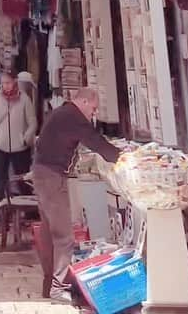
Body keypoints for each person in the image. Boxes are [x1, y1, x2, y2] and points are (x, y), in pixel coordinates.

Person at [33, 88, 120, 303]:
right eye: (93, 108)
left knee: (49, 233)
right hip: (52, 177)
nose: (94, 112)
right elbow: (95, 141)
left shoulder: (63, 113)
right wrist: (123, 157)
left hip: (43, 174)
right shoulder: (73, 116)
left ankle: (49, 284)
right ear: (82, 101)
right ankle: (58, 286)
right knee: (64, 236)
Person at [0, 70, 36, 224]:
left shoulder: (24, 99)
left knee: (23, 179)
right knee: (0, 181)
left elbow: (32, 121)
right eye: (3, 83)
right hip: (0, 146)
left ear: (14, 82)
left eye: (8, 82)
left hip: (20, 147)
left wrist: (25, 138)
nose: (5, 86)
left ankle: (28, 213)